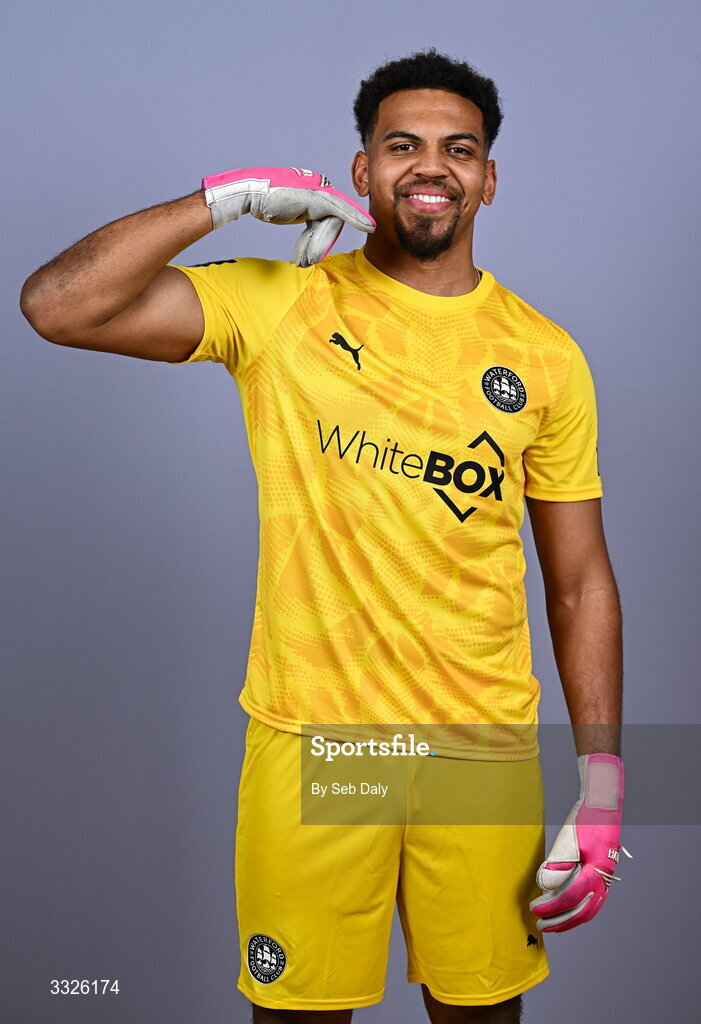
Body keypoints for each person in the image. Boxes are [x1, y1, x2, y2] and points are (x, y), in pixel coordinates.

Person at [20, 48, 629, 1024]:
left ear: (486, 177)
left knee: (480, 1015)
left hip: (479, 750)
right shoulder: (284, 303)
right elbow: (56, 305)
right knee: (298, 1016)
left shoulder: (544, 355)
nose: (429, 167)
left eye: (456, 149)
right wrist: (223, 200)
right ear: (360, 172)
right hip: (319, 746)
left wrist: (602, 776)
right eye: (402, 145)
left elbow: (579, 581)